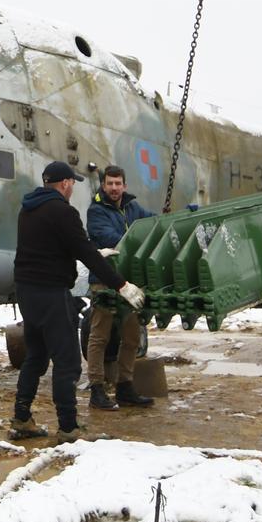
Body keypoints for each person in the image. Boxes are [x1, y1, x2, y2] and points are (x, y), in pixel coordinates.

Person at [11, 160, 144, 442]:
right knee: (68, 362)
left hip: (27, 291)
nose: (72, 188)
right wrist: (120, 284)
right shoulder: (62, 211)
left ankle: (22, 419)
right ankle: (69, 428)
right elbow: (83, 250)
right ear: (65, 183)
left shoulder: (28, 209)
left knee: (36, 356)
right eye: (72, 183)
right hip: (50, 293)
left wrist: (98, 254)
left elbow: (54, 248)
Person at [84, 166, 155, 411]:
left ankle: (125, 386)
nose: (114, 188)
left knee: (132, 336)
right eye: (110, 183)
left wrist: (173, 216)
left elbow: (152, 223)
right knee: (99, 335)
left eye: (118, 183)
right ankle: (96, 388)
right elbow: (110, 239)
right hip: (104, 279)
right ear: (103, 185)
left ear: (124, 185)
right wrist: (139, 240)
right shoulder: (96, 211)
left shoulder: (133, 208)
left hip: (129, 281)